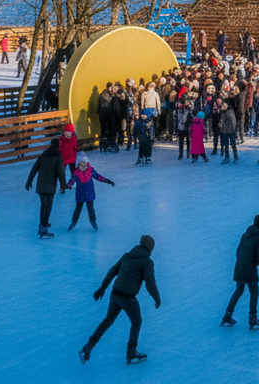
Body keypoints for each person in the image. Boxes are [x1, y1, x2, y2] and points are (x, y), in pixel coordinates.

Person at [80, 234, 161, 365]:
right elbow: (150, 283)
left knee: (108, 320)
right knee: (136, 322)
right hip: (128, 297)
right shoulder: (147, 262)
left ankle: (88, 347)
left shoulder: (126, 256)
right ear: (150, 248)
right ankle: (131, 353)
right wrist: (156, 298)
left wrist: (103, 287)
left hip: (115, 293)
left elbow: (112, 271)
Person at [221, 215, 259, 330]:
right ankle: (253, 320)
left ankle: (227, 316)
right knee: (254, 292)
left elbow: (238, 251)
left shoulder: (245, 234)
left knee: (239, 290)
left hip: (239, 266)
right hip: (249, 269)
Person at [26, 138, 67, 238]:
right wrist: (63, 185)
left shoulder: (43, 155)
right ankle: (43, 228)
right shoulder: (58, 157)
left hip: (40, 185)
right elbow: (61, 173)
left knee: (43, 206)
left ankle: (43, 224)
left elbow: (34, 168)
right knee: (47, 208)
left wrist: (29, 181)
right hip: (50, 186)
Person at [67, 152, 114, 231]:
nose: (83, 167)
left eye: (85, 164)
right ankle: (74, 222)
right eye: (81, 165)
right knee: (78, 209)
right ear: (78, 165)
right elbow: (71, 181)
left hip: (90, 194)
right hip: (80, 195)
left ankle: (93, 221)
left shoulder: (90, 171)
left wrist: (107, 181)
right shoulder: (76, 173)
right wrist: (67, 186)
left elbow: (98, 177)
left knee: (91, 209)